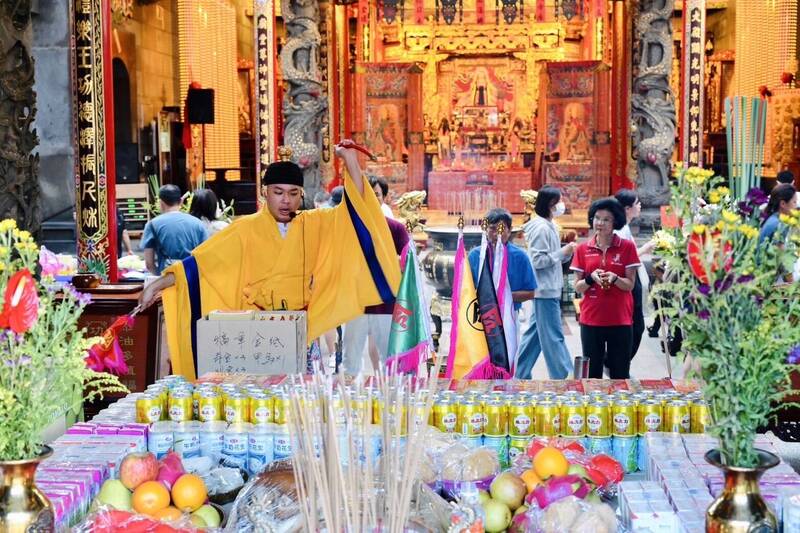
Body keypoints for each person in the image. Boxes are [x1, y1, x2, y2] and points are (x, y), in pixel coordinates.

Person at [138, 142, 402, 379]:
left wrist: (350, 162)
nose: (286, 200)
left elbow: (355, 211)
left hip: (303, 329)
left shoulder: (315, 223)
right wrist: (160, 283)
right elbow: (201, 265)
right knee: (261, 402)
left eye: (293, 193)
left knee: (299, 403)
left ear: (301, 195)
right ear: (265, 193)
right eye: (278, 192)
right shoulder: (245, 228)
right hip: (260, 332)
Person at [571, 198, 640, 379]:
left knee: (620, 374)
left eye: (606, 219)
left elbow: (630, 285)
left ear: (615, 221)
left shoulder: (627, 247)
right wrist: (590, 278)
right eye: (596, 218)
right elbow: (578, 287)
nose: (600, 223)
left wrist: (615, 278)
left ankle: (618, 407)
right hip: (591, 320)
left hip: (621, 320)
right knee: (592, 376)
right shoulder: (582, 249)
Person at [516, 187, 576, 379]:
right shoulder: (541, 228)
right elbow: (538, 261)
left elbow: (552, 258)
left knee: (535, 335)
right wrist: (562, 252)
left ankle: (519, 372)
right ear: (551, 204)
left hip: (547, 287)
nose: (561, 204)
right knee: (553, 336)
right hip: (545, 289)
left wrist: (565, 255)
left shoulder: (547, 225)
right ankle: (563, 377)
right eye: (559, 200)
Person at [342, 213, 409, 373]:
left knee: (390, 359)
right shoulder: (346, 227)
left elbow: (409, 262)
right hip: (355, 306)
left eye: (376, 195)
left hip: (386, 306)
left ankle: (391, 396)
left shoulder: (395, 228)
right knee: (350, 360)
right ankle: (351, 396)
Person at [468, 208, 537, 326]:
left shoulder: (520, 257)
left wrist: (503, 296)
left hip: (509, 316)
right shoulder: (475, 256)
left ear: (510, 231)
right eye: (492, 228)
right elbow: (465, 288)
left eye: (501, 229)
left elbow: (531, 292)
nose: (496, 234)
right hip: (480, 316)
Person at [614, 189, 655, 358]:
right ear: (626, 208)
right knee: (634, 325)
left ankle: (619, 363)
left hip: (632, 278)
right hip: (627, 279)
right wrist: (645, 249)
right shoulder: (620, 230)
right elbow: (624, 258)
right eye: (637, 203)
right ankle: (616, 363)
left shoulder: (625, 227)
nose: (640, 206)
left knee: (636, 325)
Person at [141, 185, 208, 275]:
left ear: (160, 202)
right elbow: (205, 256)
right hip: (191, 278)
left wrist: (160, 278)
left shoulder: (152, 224)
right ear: (181, 201)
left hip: (166, 277)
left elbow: (149, 264)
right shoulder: (198, 223)